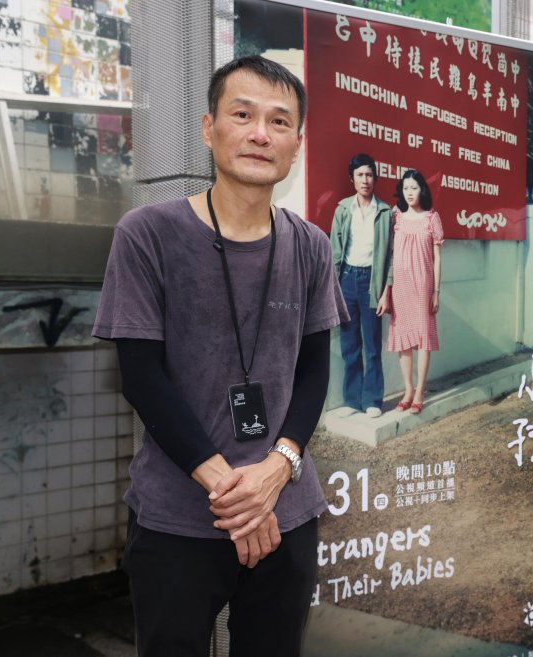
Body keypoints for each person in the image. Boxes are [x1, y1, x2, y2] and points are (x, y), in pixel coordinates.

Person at [93, 56, 347, 656]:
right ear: (209, 128)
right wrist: (237, 496)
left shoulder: (310, 245)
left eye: (279, 122)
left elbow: (313, 372)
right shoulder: (147, 234)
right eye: (242, 115)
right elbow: (141, 377)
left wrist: (276, 471)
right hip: (178, 516)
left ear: (297, 144)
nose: (260, 134)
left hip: (286, 510)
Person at [330, 153, 393, 419]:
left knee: (372, 345)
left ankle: (373, 400)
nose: (365, 180)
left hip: (371, 282)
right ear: (352, 179)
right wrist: (333, 288)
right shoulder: (343, 209)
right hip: (346, 279)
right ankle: (352, 400)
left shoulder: (385, 212)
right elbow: (334, 251)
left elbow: (391, 255)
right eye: (360, 175)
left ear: (374, 178)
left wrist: (386, 291)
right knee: (350, 345)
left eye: (369, 175)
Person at [385, 169, 443, 414]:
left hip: (423, 287)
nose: (409, 193)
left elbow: (437, 259)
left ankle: (420, 390)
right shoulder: (395, 217)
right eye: (406, 188)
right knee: (404, 339)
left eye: (414, 188)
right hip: (400, 286)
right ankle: (408, 389)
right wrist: (387, 289)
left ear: (422, 190)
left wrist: (436, 291)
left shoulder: (432, 218)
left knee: (423, 339)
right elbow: (389, 254)